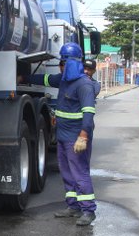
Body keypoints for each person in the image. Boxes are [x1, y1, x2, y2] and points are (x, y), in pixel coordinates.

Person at [23, 43, 97, 225]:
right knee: (67, 172)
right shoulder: (63, 80)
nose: (60, 66)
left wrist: (83, 136)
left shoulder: (84, 85)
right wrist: (24, 77)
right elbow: (46, 79)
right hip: (63, 136)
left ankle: (88, 210)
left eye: (63, 62)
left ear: (71, 63)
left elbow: (88, 114)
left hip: (76, 137)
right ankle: (73, 206)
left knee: (80, 173)